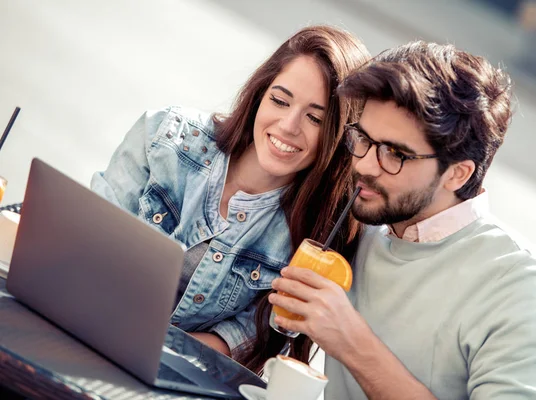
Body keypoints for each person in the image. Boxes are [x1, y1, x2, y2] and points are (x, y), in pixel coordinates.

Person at [269, 41, 536, 399]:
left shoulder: (521, 289)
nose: (364, 165)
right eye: (363, 139)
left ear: (457, 174)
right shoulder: (363, 225)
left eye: (395, 154)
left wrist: (353, 344)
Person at [91, 25, 370, 371]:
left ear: (339, 135)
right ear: (259, 94)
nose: (287, 125)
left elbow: (255, 333)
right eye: (280, 100)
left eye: (315, 118)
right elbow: (90, 233)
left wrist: (155, 350)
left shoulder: (319, 236)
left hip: (174, 376)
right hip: (84, 322)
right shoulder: (164, 137)